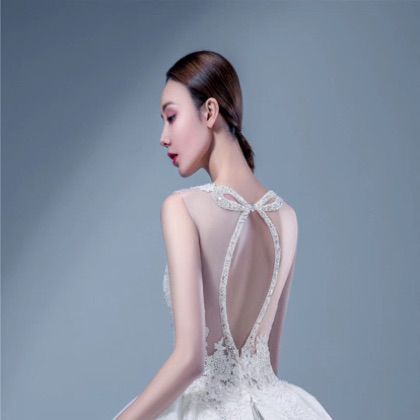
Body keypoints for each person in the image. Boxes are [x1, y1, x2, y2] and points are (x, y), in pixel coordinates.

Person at [113, 50, 333, 419]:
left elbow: (190, 359)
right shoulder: (287, 217)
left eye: (171, 117)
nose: (164, 137)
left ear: (210, 111)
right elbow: (269, 362)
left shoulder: (182, 208)